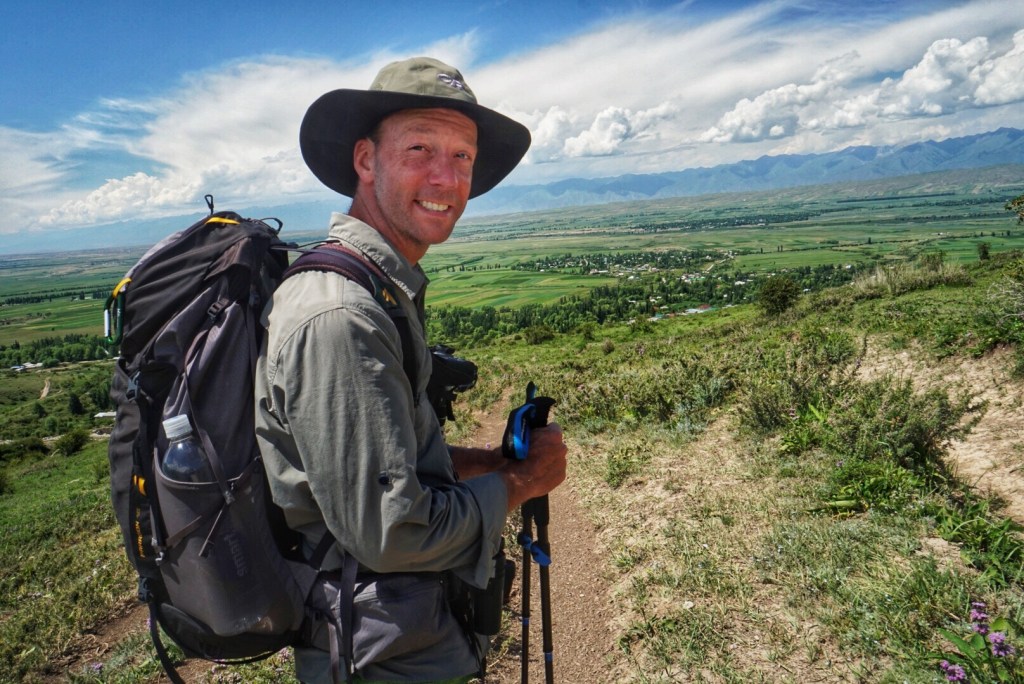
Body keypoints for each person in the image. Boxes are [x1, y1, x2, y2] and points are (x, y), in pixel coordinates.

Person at [254, 57, 568, 684]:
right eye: (420, 148)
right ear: (366, 160)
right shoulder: (341, 316)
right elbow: (392, 530)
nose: (445, 177)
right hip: (381, 658)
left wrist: (488, 463)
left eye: (462, 156)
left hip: (401, 638)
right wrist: (520, 482)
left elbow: (389, 460)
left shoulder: (377, 288)